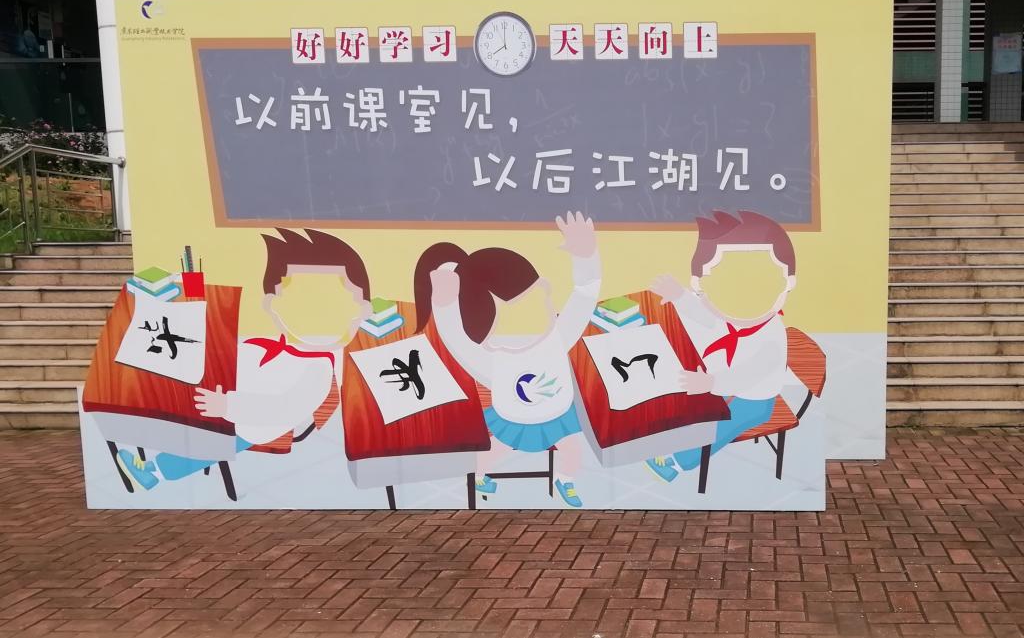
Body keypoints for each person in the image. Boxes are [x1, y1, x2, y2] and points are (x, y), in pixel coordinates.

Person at [115, 229, 372, 491]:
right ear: (272, 303)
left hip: (255, 423)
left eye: (334, 299)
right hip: (227, 398)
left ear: (360, 310)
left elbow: (283, 409)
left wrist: (228, 405)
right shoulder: (265, 344)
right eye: (301, 297)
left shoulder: (318, 368)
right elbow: (228, 356)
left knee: (208, 438)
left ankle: (155, 472)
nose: (313, 312)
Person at [413, 212, 600, 508]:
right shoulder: (493, 362)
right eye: (512, 315)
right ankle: (480, 476)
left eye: (534, 306)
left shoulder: (557, 339)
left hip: (557, 418)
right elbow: (456, 340)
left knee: (572, 452)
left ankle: (564, 479)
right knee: (491, 452)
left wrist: (586, 257)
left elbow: (584, 296)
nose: (526, 324)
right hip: (513, 422)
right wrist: (444, 304)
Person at [645, 210, 796, 482]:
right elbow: (705, 316)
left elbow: (749, 374)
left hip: (754, 398)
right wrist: (680, 296)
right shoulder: (728, 313)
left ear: (786, 283)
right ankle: (664, 439)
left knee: (721, 424)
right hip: (720, 382)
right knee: (677, 390)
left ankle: (678, 463)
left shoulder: (771, 334)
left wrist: (712, 383)